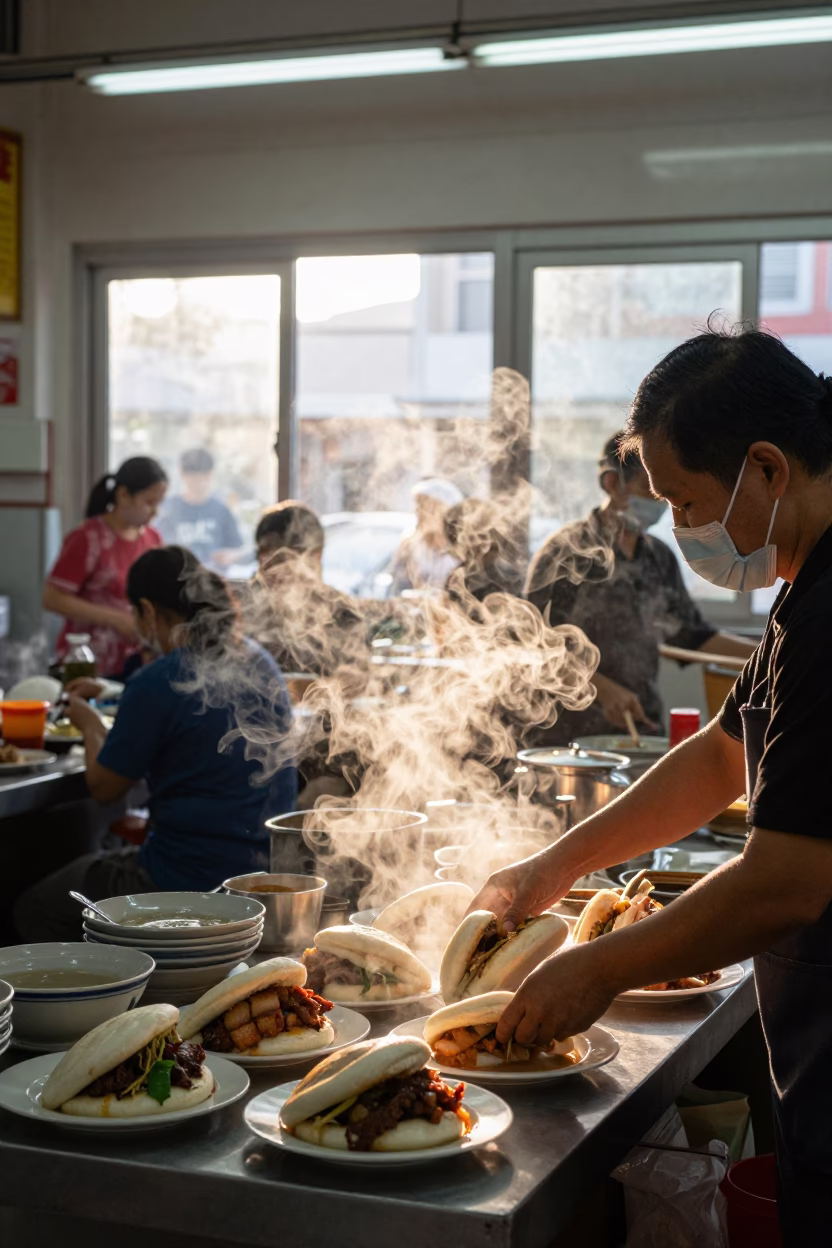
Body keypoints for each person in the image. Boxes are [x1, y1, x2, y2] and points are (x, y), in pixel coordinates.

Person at [468, 326, 832, 1245]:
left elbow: (788, 879)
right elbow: (719, 756)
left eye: (687, 501)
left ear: (766, 468)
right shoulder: (802, 591)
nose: (680, 526)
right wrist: (554, 867)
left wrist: (599, 968)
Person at [15, 546, 297, 942]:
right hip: (264, 875)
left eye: (134, 614)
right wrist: (116, 692)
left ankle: (119, 974)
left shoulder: (158, 679)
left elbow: (104, 789)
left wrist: (89, 722)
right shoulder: (259, 660)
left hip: (183, 880)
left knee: (36, 907)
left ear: (147, 611)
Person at [525, 433, 755, 740]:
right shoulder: (567, 552)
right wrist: (602, 689)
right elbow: (533, 641)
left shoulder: (659, 557)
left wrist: (768, 653)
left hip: (641, 728)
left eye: (664, 494)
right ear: (611, 483)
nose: (658, 502)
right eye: (649, 489)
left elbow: (692, 636)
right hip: (569, 734)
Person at [43, 457, 168, 679]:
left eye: (159, 504)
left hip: (135, 662)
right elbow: (53, 598)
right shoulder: (88, 538)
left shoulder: (153, 540)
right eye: (149, 503)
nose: (155, 512)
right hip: (87, 662)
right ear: (123, 495)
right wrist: (115, 619)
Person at [251, 500, 369, 679]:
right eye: (268, 559)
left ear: (316, 556)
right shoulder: (240, 610)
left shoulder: (342, 613)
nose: (275, 571)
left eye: (286, 559)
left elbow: (360, 679)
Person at [156, 448, 244, 571]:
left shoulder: (221, 510)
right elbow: (157, 546)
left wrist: (230, 556)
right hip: (178, 577)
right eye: (194, 478)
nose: (200, 483)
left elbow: (238, 548)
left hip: (214, 577)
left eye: (204, 476)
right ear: (182, 474)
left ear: (211, 475)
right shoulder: (167, 509)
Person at [389, 478, 464, 593]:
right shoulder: (410, 546)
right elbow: (397, 586)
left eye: (425, 507)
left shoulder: (464, 551)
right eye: (417, 506)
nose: (417, 511)